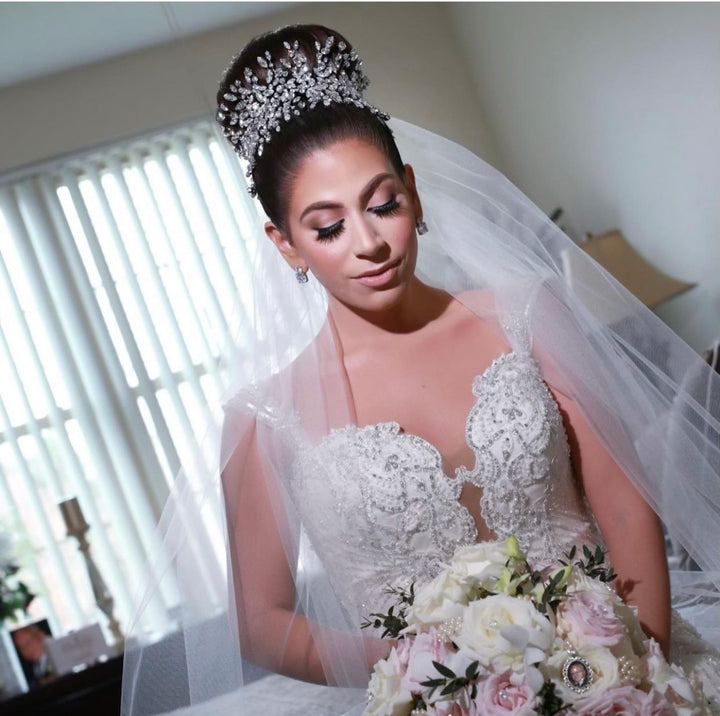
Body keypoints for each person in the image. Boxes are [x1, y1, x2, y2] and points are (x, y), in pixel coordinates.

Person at [122, 23, 720, 715]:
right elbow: (261, 623)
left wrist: (629, 670)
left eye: (382, 204)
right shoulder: (263, 415)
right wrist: (430, 677)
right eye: (327, 226)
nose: (369, 242)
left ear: (413, 191)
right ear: (285, 244)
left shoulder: (527, 317)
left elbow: (625, 502)